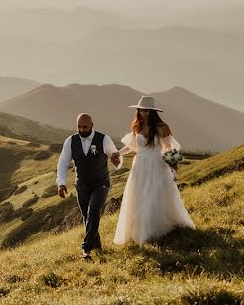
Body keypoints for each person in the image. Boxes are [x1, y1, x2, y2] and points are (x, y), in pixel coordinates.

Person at [113, 95, 195, 246]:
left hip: (156, 164)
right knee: (138, 196)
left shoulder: (161, 127)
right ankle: (139, 231)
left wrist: (173, 168)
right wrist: (118, 153)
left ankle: (151, 231)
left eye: (146, 111)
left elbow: (171, 148)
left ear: (152, 111)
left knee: (153, 195)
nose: (143, 113)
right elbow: (132, 146)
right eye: (141, 110)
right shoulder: (137, 126)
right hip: (140, 166)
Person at [56, 113, 121, 259]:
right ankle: (97, 246)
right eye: (79, 127)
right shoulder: (70, 141)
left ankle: (86, 249)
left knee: (93, 213)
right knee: (86, 216)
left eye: (85, 127)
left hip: (101, 183)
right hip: (82, 186)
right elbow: (63, 162)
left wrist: (116, 160)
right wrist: (61, 183)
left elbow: (116, 156)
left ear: (92, 125)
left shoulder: (104, 139)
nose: (82, 130)